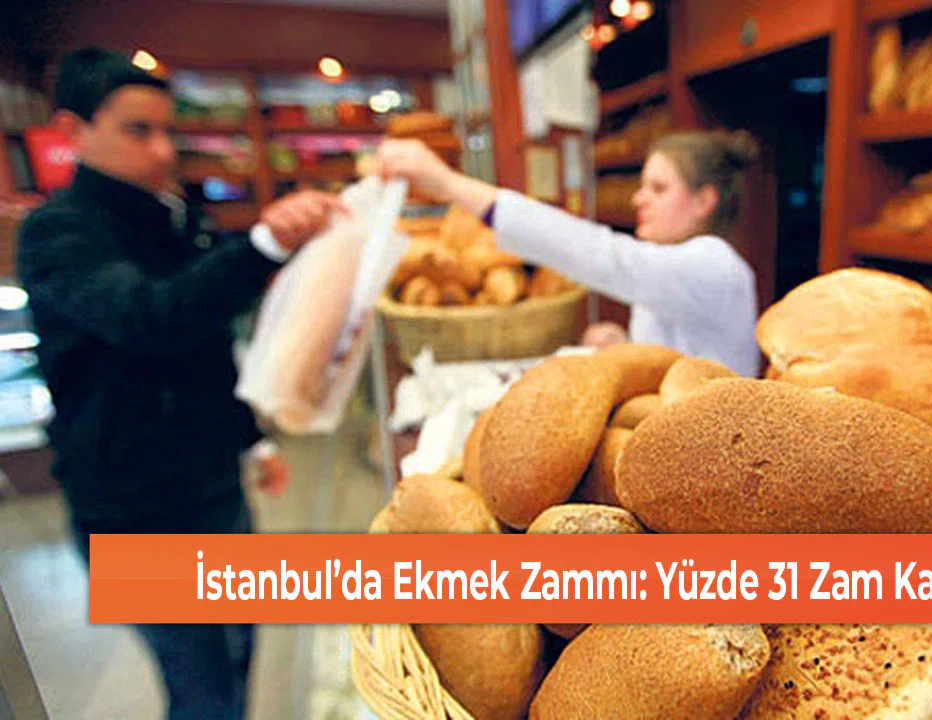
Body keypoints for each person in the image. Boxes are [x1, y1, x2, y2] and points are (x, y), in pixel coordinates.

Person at [16, 48, 342, 719]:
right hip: (130, 511)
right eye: (138, 130)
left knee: (239, 653)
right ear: (73, 129)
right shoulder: (56, 233)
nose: (163, 150)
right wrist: (263, 248)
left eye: (169, 131)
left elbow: (206, 348)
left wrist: (251, 440)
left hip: (213, 486)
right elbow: (149, 316)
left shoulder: (176, 215)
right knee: (199, 686)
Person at [376, 130, 762, 376]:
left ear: (703, 201)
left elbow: (601, 254)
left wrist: (447, 184)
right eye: (642, 186)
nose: (638, 199)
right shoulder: (669, 263)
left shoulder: (714, 264)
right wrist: (625, 345)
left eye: (658, 189)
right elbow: (675, 357)